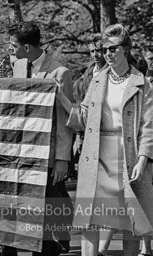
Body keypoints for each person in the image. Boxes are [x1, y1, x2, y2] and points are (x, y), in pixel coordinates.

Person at [55, 23, 153, 256]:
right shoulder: (98, 79)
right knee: (90, 219)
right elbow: (84, 117)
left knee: (130, 221)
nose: (107, 54)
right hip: (96, 157)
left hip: (127, 158)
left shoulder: (142, 83)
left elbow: (148, 125)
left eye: (112, 49)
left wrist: (142, 159)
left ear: (126, 49)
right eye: (104, 49)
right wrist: (60, 97)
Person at [6, 21, 74, 256]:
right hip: (22, 154)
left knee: (47, 209)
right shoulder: (17, 67)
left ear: (26, 47)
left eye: (13, 45)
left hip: (48, 155)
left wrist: (62, 159)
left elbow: (65, 120)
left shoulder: (60, 72)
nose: (10, 49)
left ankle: (51, 247)